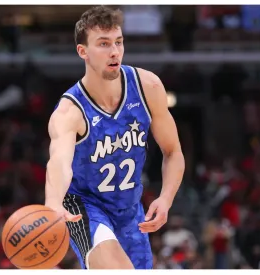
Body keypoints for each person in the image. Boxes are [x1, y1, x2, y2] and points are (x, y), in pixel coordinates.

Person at [44, 6, 185, 269]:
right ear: (83, 51)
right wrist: (52, 203)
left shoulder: (148, 87)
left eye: (118, 42)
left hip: (131, 210)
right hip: (84, 206)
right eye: (104, 44)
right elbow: (59, 163)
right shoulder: (70, 111)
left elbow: (173, 151)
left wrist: (166, 198)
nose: (114, 51)